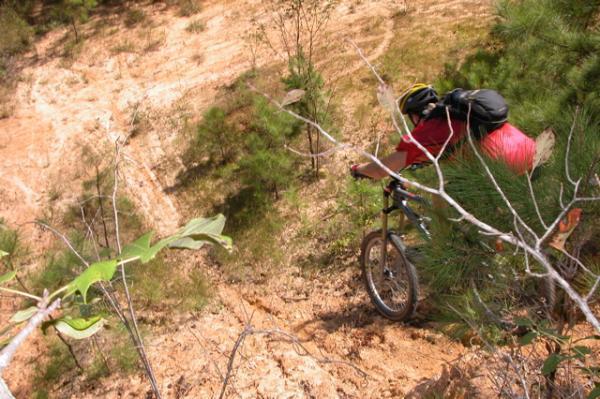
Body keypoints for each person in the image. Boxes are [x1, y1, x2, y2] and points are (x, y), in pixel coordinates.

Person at [351, 84, 536, 179]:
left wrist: (358, 169)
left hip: (506, 168)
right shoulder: (459, 115)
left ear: (415, 116)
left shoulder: (429, 131)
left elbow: (380, 170)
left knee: (442, 198)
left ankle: (443, 251)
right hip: (535, 152)